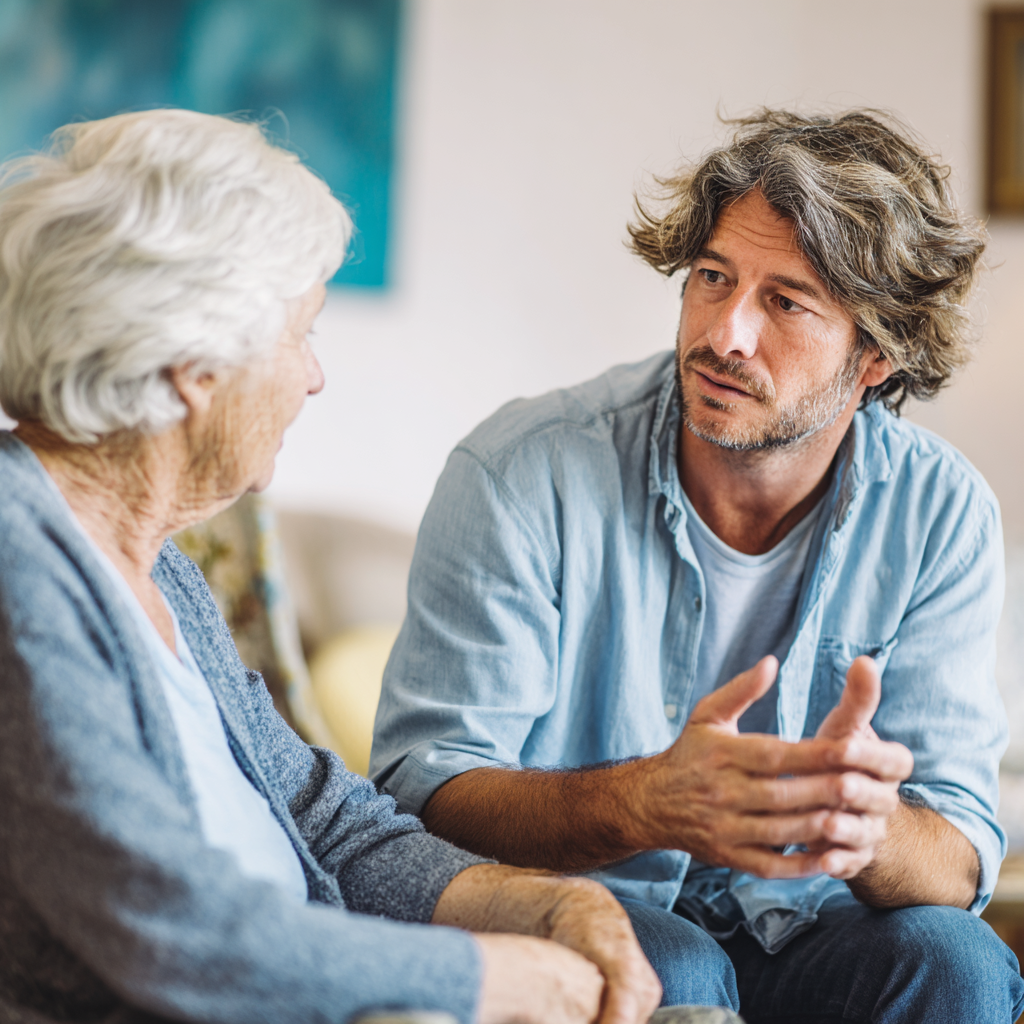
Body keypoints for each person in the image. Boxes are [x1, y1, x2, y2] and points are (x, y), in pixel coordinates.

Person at [0, 109, 667, 1024]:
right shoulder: (20, 565)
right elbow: (171, 929)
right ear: (196, 364)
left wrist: (554, 902)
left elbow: (324, 818)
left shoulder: (162, 568)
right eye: (302, 332)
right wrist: (497, 981)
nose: (315, 377)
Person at [371, 109, 1024, 1022]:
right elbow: (424, 795)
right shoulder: (522, 470)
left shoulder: (941, 513)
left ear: (876, 357)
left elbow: (956, 858)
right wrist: (649, 803)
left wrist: (861, 827)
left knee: (954, 963)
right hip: (591, 900)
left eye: (785, 303)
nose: (726, 334)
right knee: (667, 965)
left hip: (815, 925)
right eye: (713, 279)